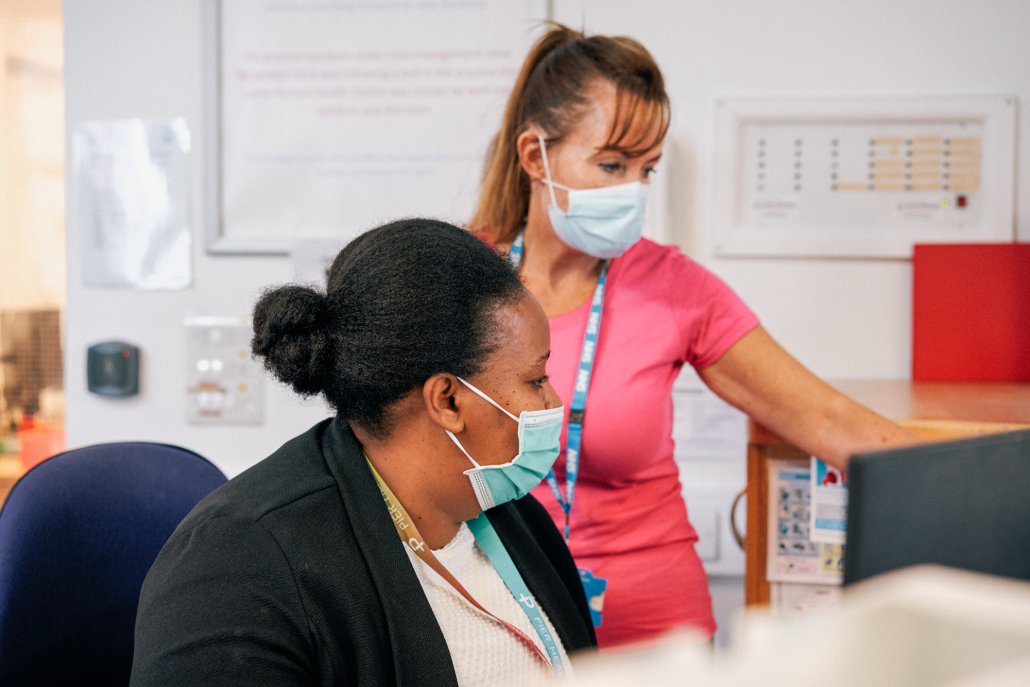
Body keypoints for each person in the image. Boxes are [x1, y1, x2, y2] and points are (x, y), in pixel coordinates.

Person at [469, 25, 920, 648]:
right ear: (534, 156)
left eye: (646, 169)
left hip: (656, 630)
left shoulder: (673, 286)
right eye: (612, 164)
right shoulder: (461, 279)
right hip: (500, 618)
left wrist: (985, 489)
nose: (633, 190)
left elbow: (825, 419)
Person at [130, 219, 596, 686]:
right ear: (448, 400)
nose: (553, 402)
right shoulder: (242, 567)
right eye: (536, 379)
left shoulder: (510, 516)